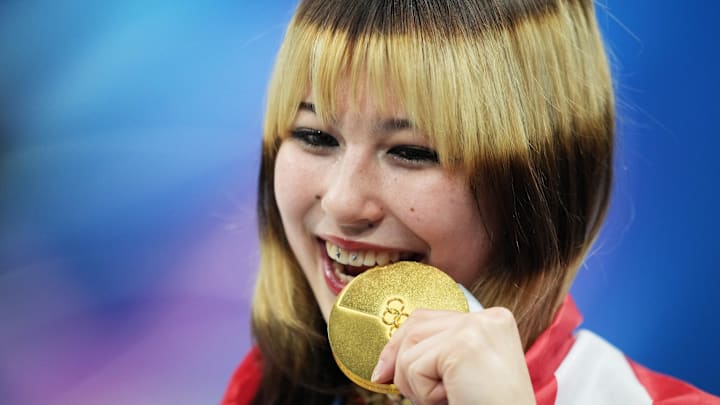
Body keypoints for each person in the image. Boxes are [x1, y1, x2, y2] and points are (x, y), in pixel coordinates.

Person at [223, 0, 718, 404]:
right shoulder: (264, 386)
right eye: (314, 136)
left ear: (535, 179)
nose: (344, 202)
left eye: (412, 151)